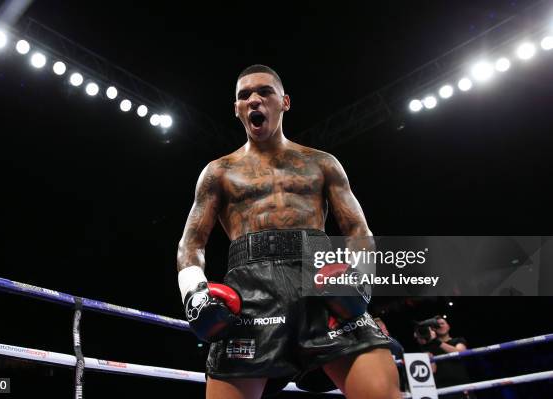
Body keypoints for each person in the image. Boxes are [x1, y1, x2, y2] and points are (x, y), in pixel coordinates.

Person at [177, 64, 401, 399]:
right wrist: (194, 293)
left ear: (284, 102)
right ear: (236, 109)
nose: (254, 100)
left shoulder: (322, 162)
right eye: (244, 95)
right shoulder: (218, 172)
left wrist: (361, 278)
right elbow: (190, 244)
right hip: (251, 292)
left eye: (264, 92)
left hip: (320, 281)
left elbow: (357, 228)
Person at [416, 316, 475, 399]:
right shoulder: (429, 347)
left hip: (461, 386)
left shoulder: (458, 340)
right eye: (437, 325)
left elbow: (460, 354)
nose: (440, 326)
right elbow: (432, 370)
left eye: (442, 323)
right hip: (441, 389)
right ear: (433, 329)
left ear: (448, 326)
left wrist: (436, 341)